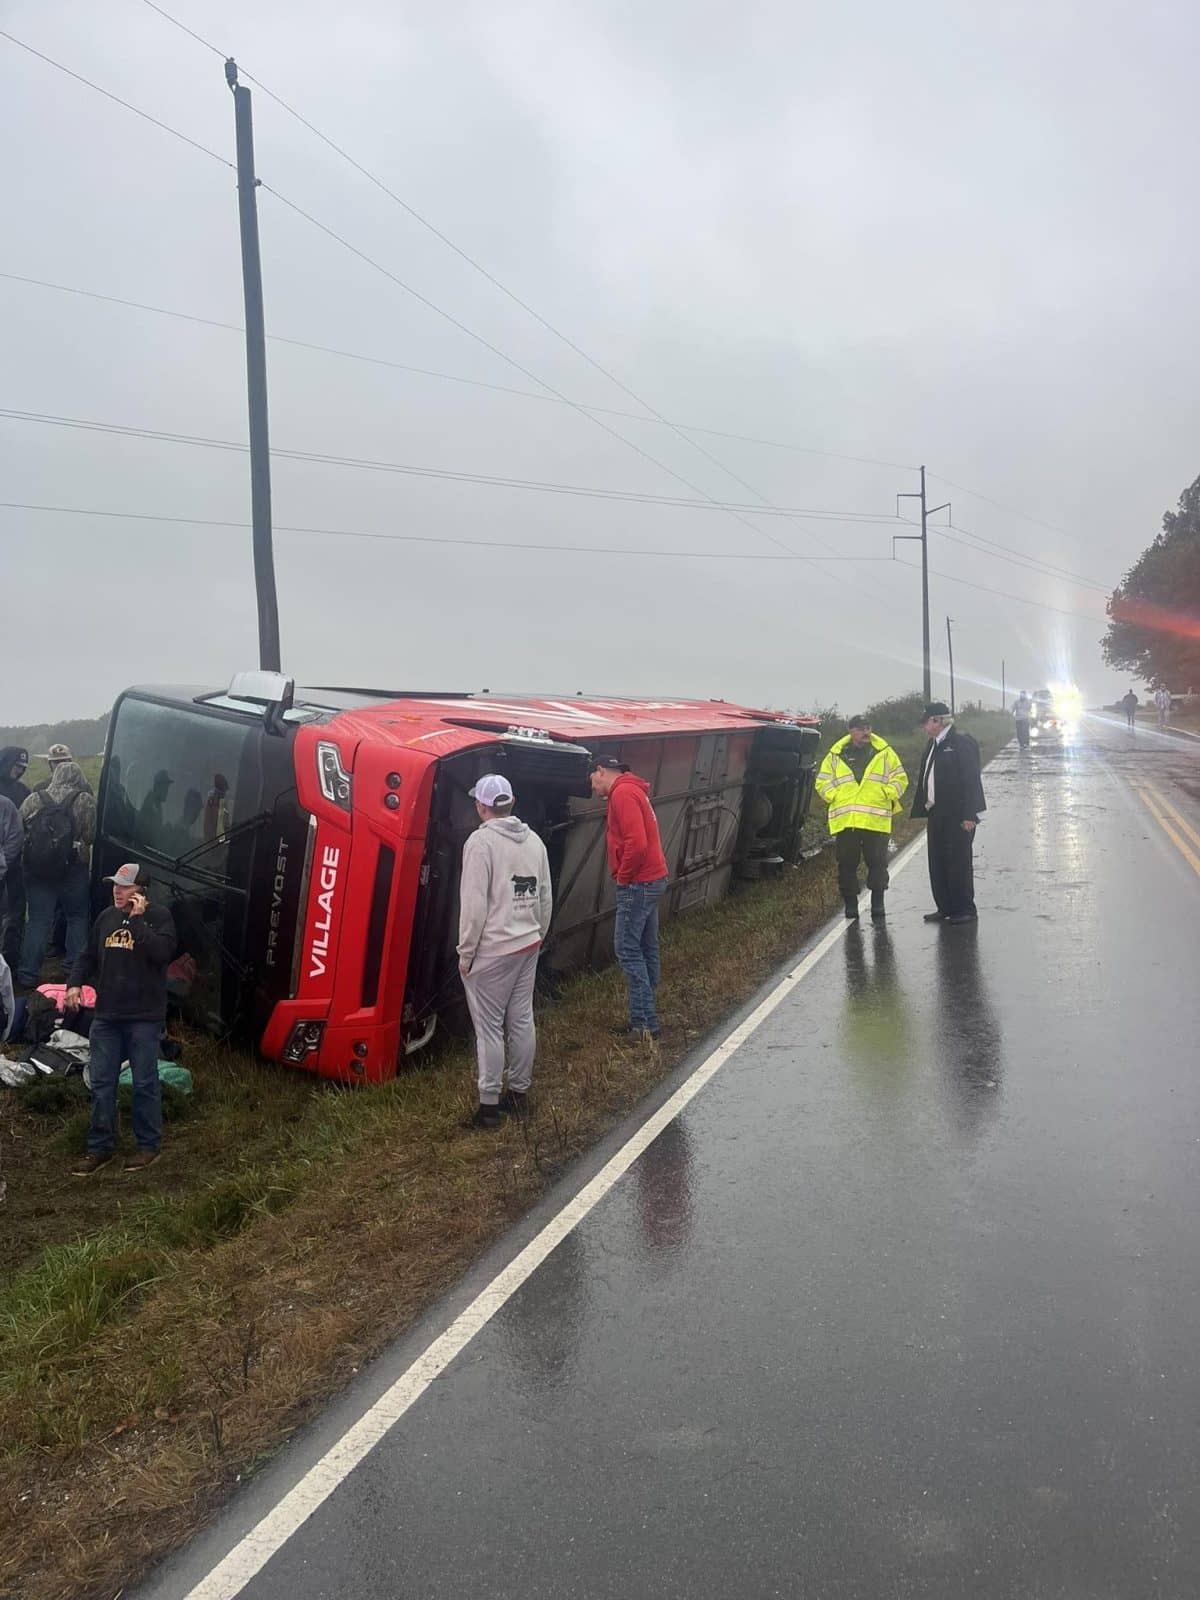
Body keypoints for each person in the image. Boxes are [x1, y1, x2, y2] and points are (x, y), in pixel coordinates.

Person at [66, 863, 177, 1175]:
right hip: (107, 1015)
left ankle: (148, 1146)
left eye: (125, 886)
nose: (117, 890)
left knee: (144, 1082)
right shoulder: (106, 917)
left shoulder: (159, 918)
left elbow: (162, 954)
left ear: (141, 891)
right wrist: (74, 983)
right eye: (115, 884)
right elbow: (87, 955)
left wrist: (139, 923)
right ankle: (99, 1148)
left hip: (144, 1016)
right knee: (102, 1083)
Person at [458, 775, 553, 1129]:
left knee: (489, 1029)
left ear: (482, 807)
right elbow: (545, 895)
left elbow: (474, 906)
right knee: (522, 1019)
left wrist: (466, 954)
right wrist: (538, 934)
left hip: (493, 950)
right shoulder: (535, 842)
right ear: (511, 803)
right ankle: (520, 1093)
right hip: (527, 942)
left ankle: (489, 1107)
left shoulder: (480, 844)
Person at [589, 756, 669, 1040]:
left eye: (592, 781)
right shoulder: (634, 789)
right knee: (647, 946)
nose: (593, 788)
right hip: (653, 878)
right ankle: (647, 1012)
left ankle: (643, 1024)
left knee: (626, 948)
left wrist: (623, 877)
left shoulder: (622, 794)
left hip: (638, 882)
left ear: (600, 771)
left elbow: (637, 842)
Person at [815, 715, 908, 921]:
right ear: (850, 731)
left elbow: (900, 778)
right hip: (847, 821)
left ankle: (878, 903)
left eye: (868, 727)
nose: (866, 732)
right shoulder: (836, 755)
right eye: (860, 728)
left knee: (877, 863)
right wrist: (835, 796)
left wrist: (887, 793)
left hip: (876, 820)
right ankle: (850, 905)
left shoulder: (884, 753)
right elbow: (822, 782)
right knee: (847, 864)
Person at [17, 758, 96, 987]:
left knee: (38, 921)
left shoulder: (35, 797)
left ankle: (28, 974)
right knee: (77, 917)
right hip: (73, 869)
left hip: (37, 870)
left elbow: (21, 828)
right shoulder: (85, 800)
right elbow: (89, 836)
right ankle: (73, 969)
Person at [911, 702, 986, 925]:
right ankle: (944, 907)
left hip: (958, 813)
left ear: (938, 721)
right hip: (937, 811)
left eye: (927, 722)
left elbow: (971, 779)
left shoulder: (961, 742)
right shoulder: (933, 744)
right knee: (938, 860)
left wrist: (970, 815)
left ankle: (964, 909)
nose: (924, 726)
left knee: (958, 862)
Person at [0, 749, 30, 970]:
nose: (18, 771)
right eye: (16, 766)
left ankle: (10, 960)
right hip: (7, 864)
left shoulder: (23, 792)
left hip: (14, 866)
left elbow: (19, 834)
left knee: (15, 914)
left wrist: (6, 862)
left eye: (22, 769)